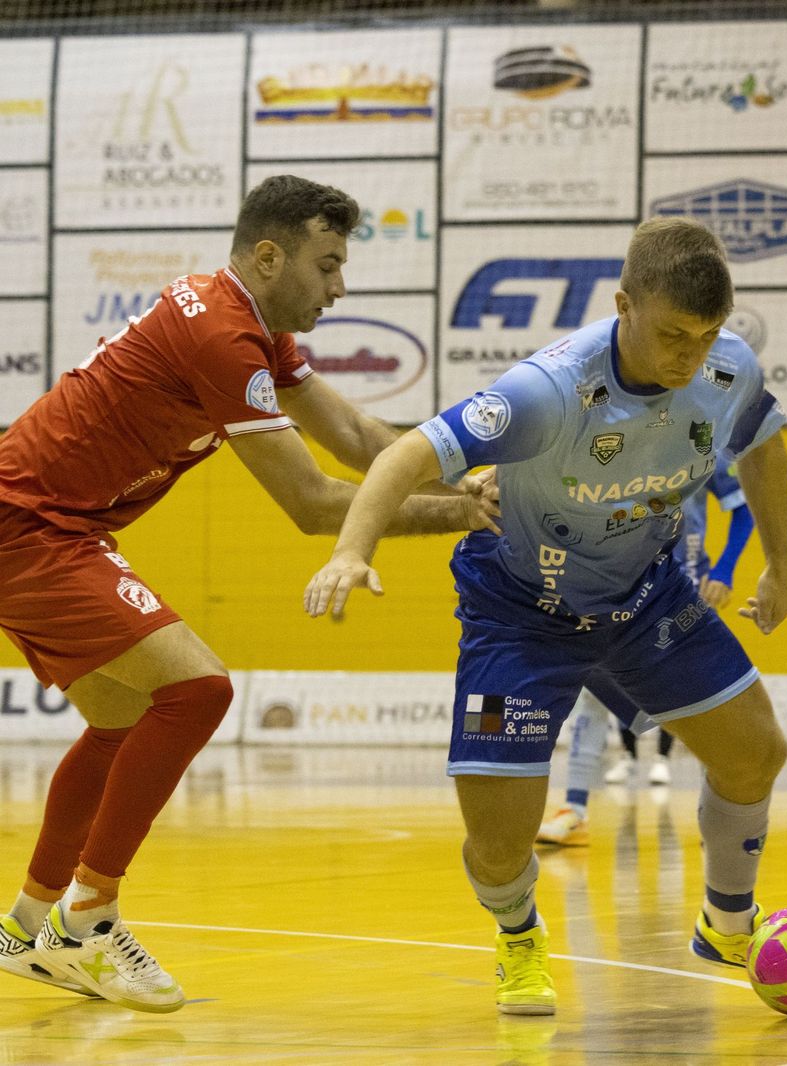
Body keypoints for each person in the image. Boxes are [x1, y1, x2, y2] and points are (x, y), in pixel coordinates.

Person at [0, 175, 500, 1014]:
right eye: (327, 265)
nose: (340, 287)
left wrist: (468, 472)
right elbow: (311, 504)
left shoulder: (249, 330)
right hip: (30, 529)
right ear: (268, 257)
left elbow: (360, 440)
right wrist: (464, 517)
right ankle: (88, 922)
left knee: (120, 718)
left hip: (47, 528)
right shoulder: (223, 339)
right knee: (198, 690)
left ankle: (25, 929)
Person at [304, 216, 787, 1017]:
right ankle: (520, 936)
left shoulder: (726, 368)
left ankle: (728, 923)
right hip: (521, 613)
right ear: (623, 305)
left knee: (755, 753)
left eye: (706, 337)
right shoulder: (549, 391)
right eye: (673, 334)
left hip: (647, 596)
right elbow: (404, 455)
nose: (690, 356)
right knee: (498, 843)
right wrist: (352, 551)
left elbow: (764, 442)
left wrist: (784, 564)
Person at [537, 453, 753, 847]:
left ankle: (720, 813)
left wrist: (723, 570)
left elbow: (744, 511)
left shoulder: (704, 448)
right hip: (614, 591)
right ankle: (575, 811)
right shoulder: (608, 443)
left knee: (704, 702)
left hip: (677, 592)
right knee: (592, 695)